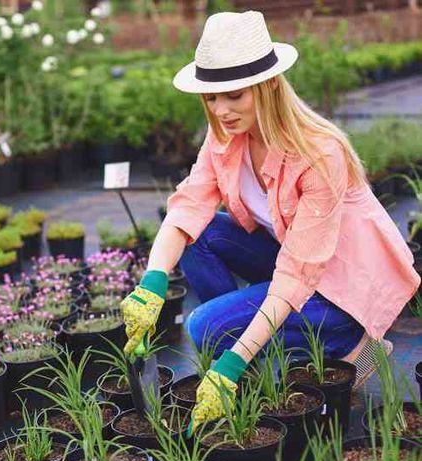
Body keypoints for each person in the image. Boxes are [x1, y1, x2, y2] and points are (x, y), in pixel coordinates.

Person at [120, 10, 420, 434]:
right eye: (211, 97)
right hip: (293, 263)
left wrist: (231, 361)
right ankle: (248, 355)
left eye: (234, 95)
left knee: (205, 326)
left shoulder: (320, 153)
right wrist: (151, 283)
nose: (221, 110)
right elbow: (187, 207)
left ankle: (349, 343)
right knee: (198, 235)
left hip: (340, 286)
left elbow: (298, 272)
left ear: (268, 86)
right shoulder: (226, 135)